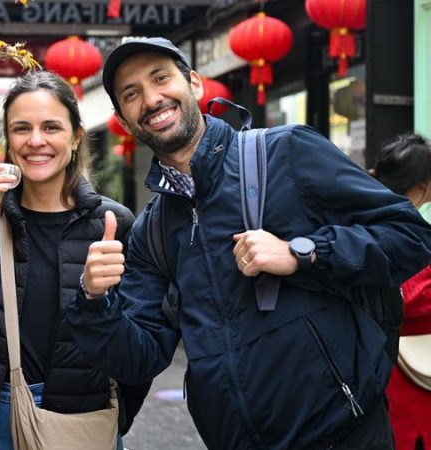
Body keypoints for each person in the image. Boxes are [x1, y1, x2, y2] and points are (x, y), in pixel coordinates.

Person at [65, 37, 431, 450]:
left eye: (161, 78)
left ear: (195, 84)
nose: (151, 99)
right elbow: (140, 357)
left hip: (344, 435)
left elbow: (410, 235)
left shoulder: (286, 152)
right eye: (132, 94)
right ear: (124, 119)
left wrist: (304, 252)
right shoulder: (153, 230)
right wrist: (94, 302)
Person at [0, 70, 148, 450]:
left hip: (82, 415)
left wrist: (97, 299)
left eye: (51, 127)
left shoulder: (113, 224)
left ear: (76, 136)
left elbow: (137, 343)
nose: (36, 141)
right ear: (8, 141)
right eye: (22, 128)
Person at [374, 133, 431, 450]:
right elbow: (410, 296)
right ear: (421, 187)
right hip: (411, 363)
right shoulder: (408, 230)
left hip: (381, 355)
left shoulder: (365, 219)